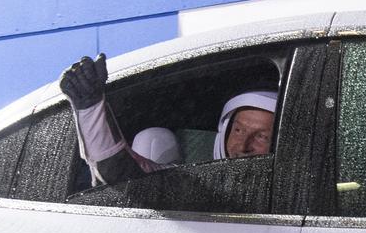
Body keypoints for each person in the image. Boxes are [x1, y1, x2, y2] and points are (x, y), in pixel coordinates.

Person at [59, 53, 277, 185]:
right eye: (238, 131)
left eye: (262, 136)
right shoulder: (202, 186)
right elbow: (119, 173)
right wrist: (91, 108)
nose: (243, 145)